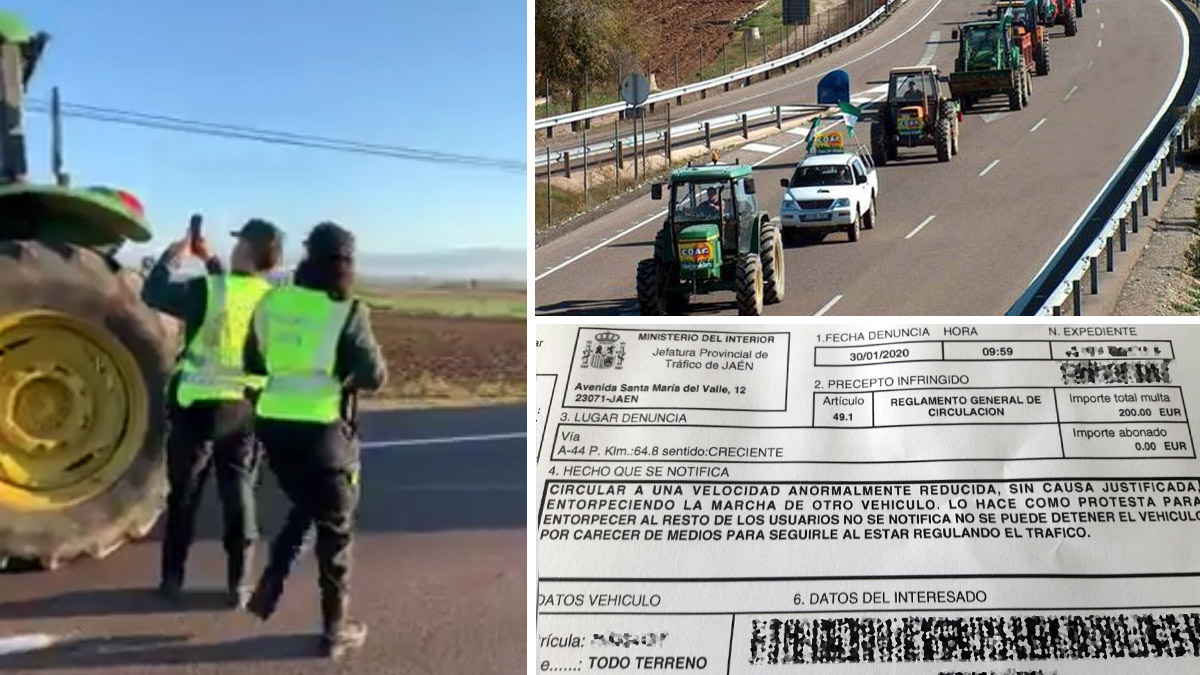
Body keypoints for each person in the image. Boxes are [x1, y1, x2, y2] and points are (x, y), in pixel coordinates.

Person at [242, 221, 387, 660]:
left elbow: (254, 359)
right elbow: (374, 376)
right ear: (346, 263)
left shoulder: (273, 301)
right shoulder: (348, 310)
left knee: (311, 503)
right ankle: (334, 629)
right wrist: (340, 372)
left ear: (307, 257)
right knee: (336, 531)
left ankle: (272, 580)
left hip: (273, 429)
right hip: (323, 432)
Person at [141, 218, 284, 608]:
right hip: (243, 409)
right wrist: (212, 260)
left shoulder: (206, 289)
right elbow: (235, 301)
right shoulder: (275, 300)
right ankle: (238, 584)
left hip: (195, 408)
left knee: (184, 497)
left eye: (240, 243)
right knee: (238, 494)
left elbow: (154, 292)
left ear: (248, 251)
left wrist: (177, 254)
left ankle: (172, 580)